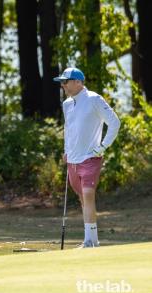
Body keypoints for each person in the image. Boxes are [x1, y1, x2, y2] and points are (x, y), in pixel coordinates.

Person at [54, 67, 120, 248]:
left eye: (65, 82)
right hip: (72, 160)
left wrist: (103, 147)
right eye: (62, 82)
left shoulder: (94, 99)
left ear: (77, 82)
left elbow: (114, 123)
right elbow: (68, 130)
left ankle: (91, 242)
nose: (63, 85)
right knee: (83, 198)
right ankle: (91, 239)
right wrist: (66, 151)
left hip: (91, 157)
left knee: (88, 195)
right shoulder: (67, 104)